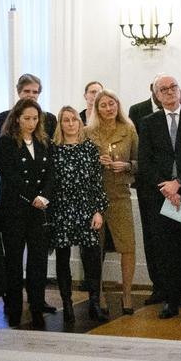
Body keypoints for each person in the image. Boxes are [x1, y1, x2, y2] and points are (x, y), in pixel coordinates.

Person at [136, 75, 181, 323]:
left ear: (180, 90)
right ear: (156, 95)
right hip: (162, 197)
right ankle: (171, 302)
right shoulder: (148, 123)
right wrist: (167, 188)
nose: (169, 92)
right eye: (163, 89)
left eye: (172, 87)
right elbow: (145, 163)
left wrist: (178, 184)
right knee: (167, 253)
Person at [0, 99, 56, 330]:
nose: (31, 123)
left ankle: (37, 303)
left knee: (38, 259)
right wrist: (32, 197)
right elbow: (9, 175)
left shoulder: (44, 141)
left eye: (35, 118)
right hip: (15, 209)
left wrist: (44, 196)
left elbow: (52, 172)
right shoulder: (6, 142)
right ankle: (13, 305)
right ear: (17, 118)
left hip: (39, 209)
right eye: (27, 118)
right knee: (13, 259)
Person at [47, 106, 108, 326]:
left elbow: (96, 183)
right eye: (66, 120)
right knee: (63, 259)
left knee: (92, 258)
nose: (71, 123)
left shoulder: (89, 148)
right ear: (60, 124)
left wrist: (98, 210)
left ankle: (94, 303)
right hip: (61, 209)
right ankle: (67, 304)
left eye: (74, 119)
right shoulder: (53, 149)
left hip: (86, 208)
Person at [86, 89, 139, 317]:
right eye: (104, 105)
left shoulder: (128, 129)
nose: (109, 108)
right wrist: (96, 161)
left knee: (127, 246)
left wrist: (127, 166)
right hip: (95, 196)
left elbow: (140, 161)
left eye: (112, 104)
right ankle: (97, 297)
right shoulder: (88, 132)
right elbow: (80, 163)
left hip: (120, 195)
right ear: (96, 109)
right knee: (94, 247)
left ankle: (126, 294)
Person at [0, 74, 44, 141]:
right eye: (27, 91)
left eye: (35, 92)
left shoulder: (50, 119)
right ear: (19, 92)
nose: (31, 95)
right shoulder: (3, 117)